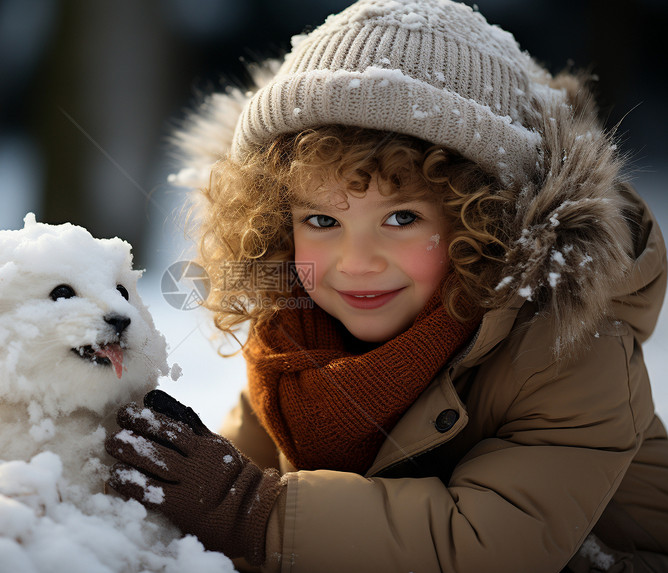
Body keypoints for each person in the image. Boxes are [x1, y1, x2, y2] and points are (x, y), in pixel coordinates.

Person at [105, 0, 668, 571]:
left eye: (401, 219)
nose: (356, 262)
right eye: (322, 221)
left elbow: (483, 545)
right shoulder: (299, 339)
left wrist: (251, 509)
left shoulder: (570, 350)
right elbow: (232, 480)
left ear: (486, 223)